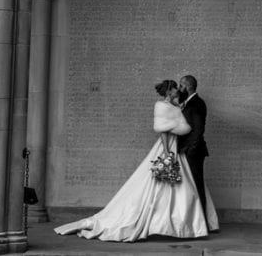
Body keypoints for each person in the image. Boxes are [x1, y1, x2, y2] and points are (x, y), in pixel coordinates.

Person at [54, 79, 219, 242]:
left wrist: (182, 146)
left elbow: (196, 128)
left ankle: (188, 224)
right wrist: (168, 152)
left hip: (183, 149)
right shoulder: (163, 106)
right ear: (169, 92)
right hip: (170, 148)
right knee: (168, 187)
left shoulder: (187, 104)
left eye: (181, 86)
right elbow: (163, 130)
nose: (179, 89)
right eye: (176, 87)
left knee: (188, 187)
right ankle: (172, 224)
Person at [176, 74, 209, 218]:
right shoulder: (187, 102)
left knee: (197, 185)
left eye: (181, 85)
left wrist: (191, 149)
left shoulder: (197, 103)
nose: (179, 88)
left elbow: (199, 129)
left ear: (189, 86)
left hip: (193, 152)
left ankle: (202, 221)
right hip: (186, 150)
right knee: (189, 186)